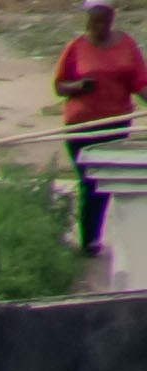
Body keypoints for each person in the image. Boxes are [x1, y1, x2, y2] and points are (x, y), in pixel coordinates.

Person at [65, 0, 141, 253]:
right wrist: (78, 86)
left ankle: (93, 240)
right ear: (87, 22)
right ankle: (88, 240)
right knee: (88, 181)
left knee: (104, 181)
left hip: (114, 123)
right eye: (94, 22)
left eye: (104, 21)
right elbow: (59, 86)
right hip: (80, 125)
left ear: (111, 19)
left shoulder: (126, 46)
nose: (100, 27)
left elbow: (140, 83)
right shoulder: (75, 47)